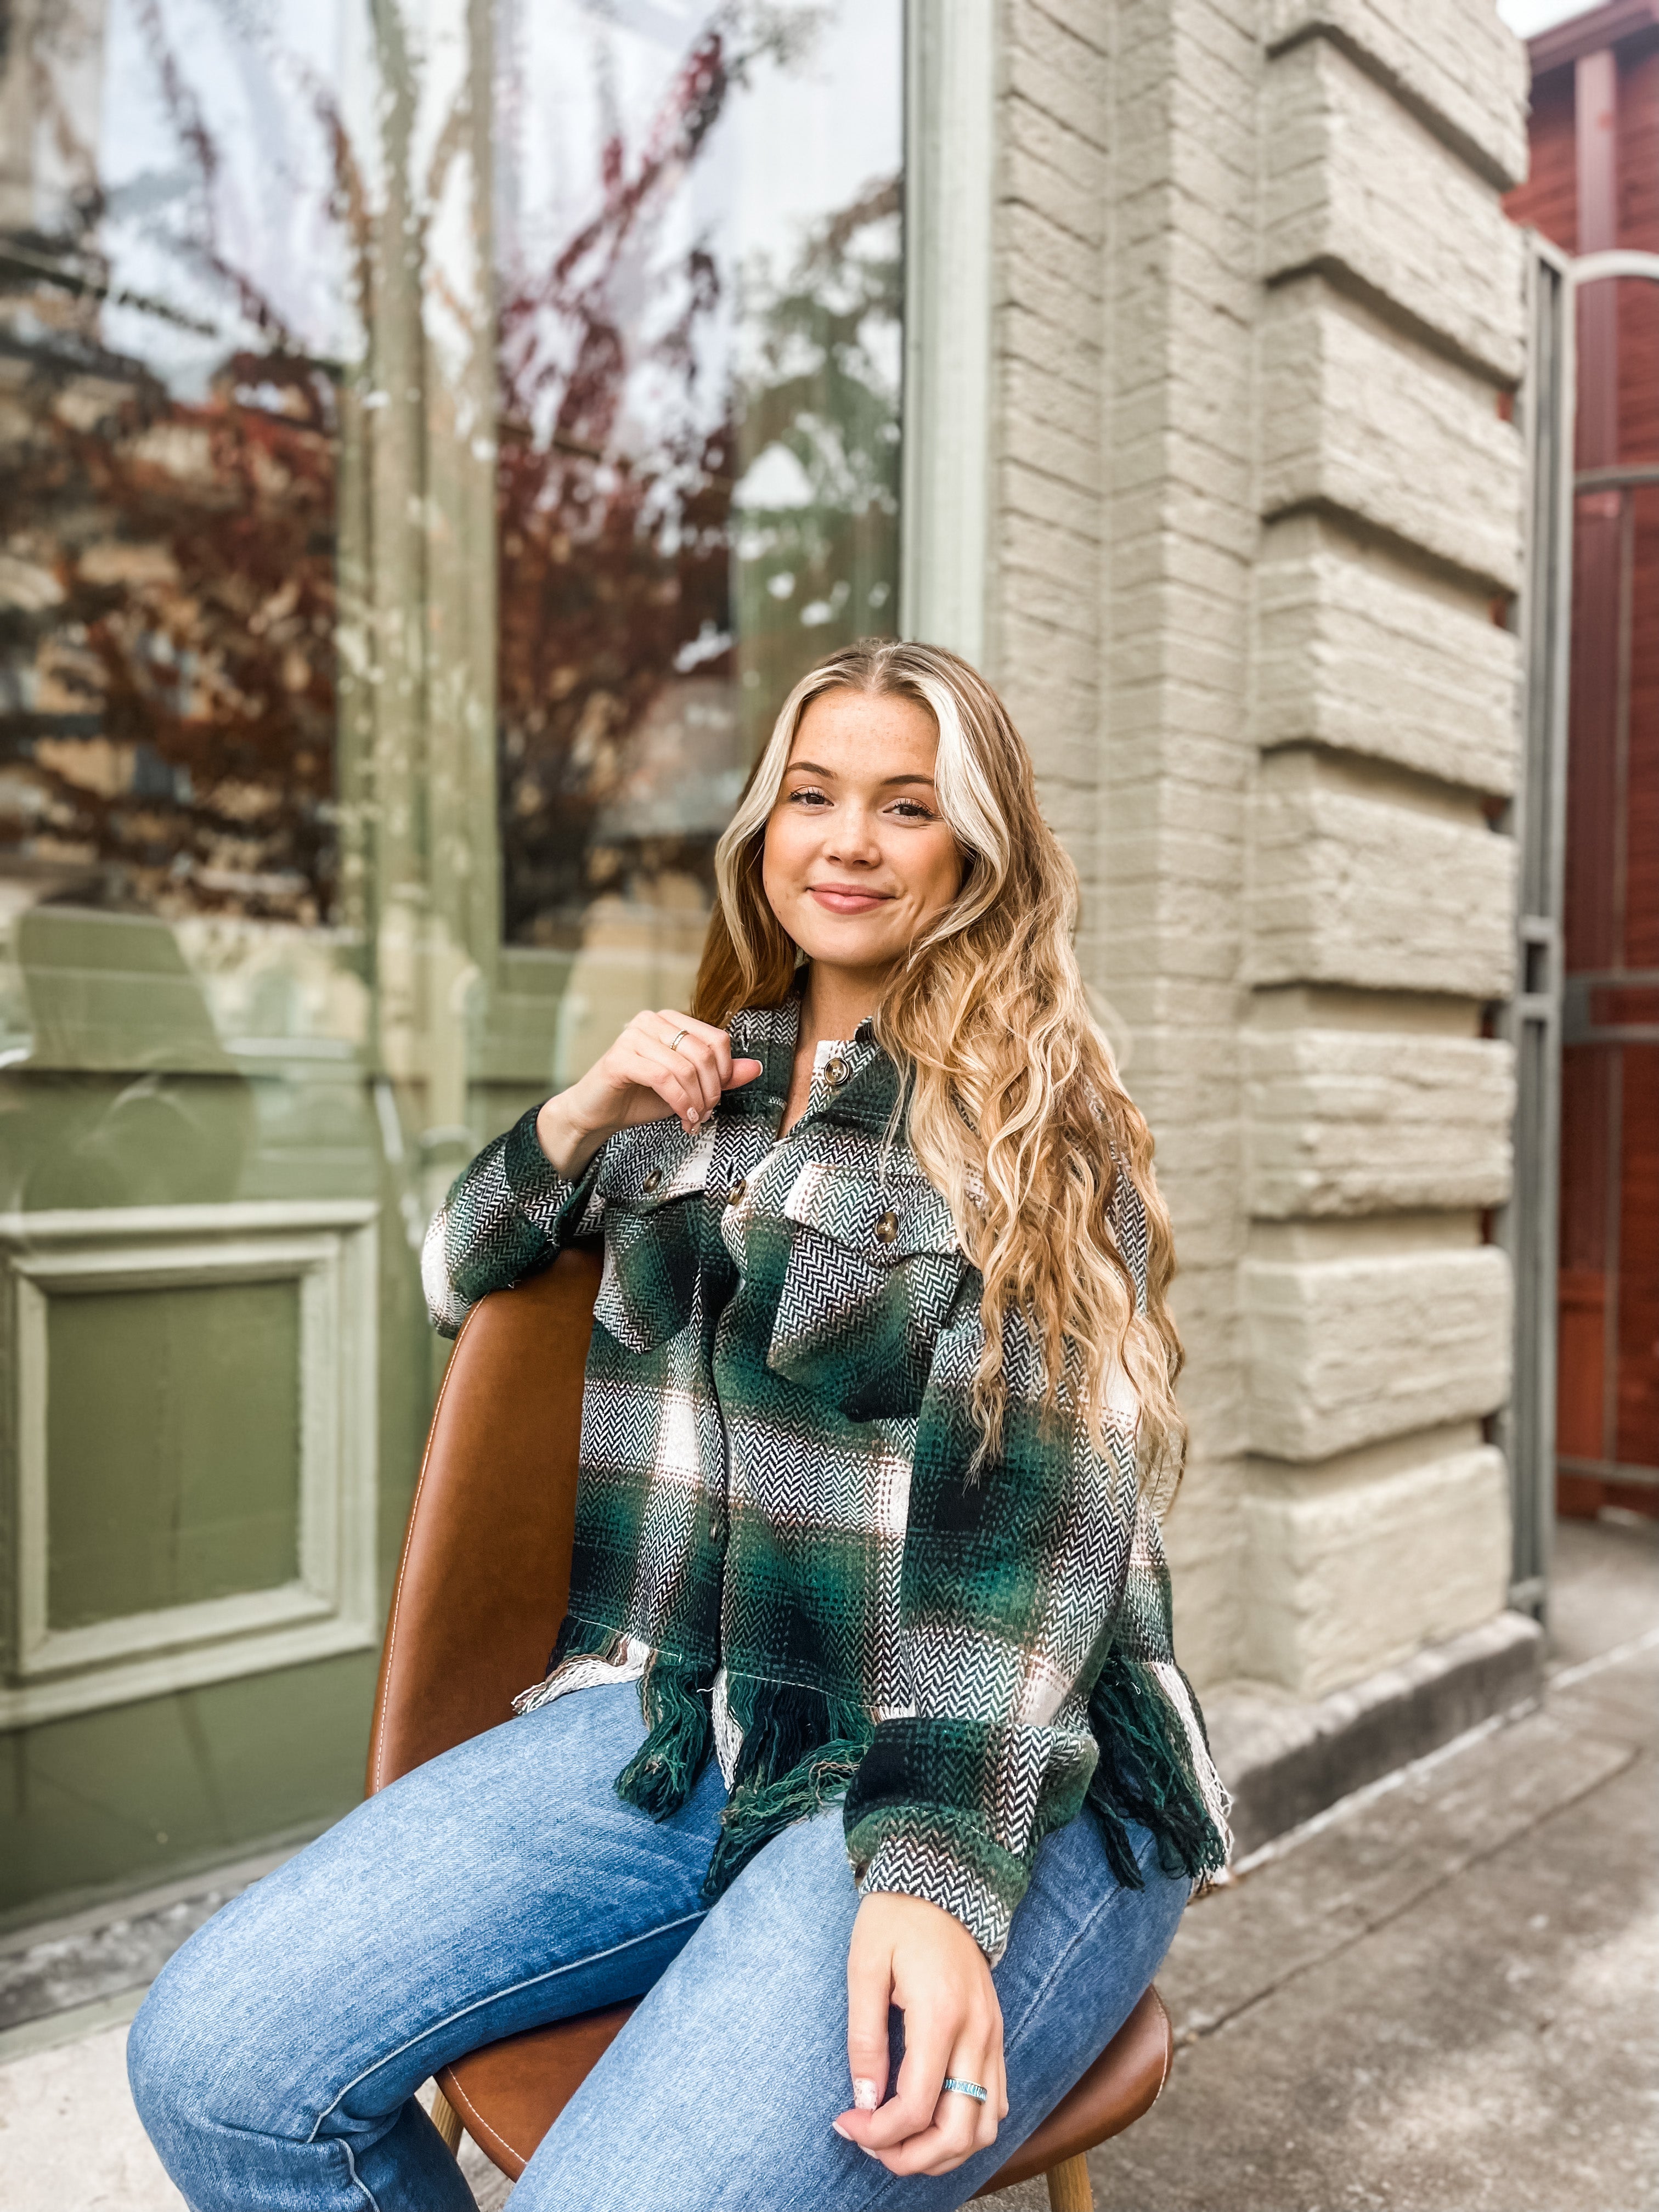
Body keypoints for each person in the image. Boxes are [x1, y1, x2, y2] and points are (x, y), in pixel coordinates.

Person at [129, 639, 1228, 2210]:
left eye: (906, 806)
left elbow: (1035, 1523)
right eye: (812, 795)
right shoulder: (695, 1097)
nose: (848, 839)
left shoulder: (1035, 1125)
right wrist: (577, 1118)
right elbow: (460, 1271)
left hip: (976, 1760)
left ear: (980, 854)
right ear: (761, 832)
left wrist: (932, 1872)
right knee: (216, 2065)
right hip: (677, 1726)